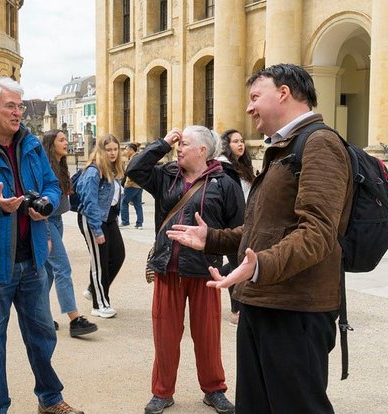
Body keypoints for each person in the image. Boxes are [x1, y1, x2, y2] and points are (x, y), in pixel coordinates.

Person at [167, 64, 353, 413]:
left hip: (295, 310)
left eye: (255, 97)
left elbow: (317, 233)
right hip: (264, 301)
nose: (249, 108)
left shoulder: (320, 143)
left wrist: (258, 266)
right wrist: (212, 238)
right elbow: (263, 231)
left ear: (283, 93)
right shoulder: (284, 147)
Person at [0, 76, 84, 414]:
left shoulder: (33, 145)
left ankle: (50, 399)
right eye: (10, 106)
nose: (18, 112)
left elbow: (53, 186)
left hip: (32, 262)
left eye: (20, 106)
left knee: (43, 337)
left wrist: (48, 206)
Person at [127, 126, 243, 414]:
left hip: (206, 273)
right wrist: (162, 144)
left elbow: (239, 232)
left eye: (184, 144)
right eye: (178, 144)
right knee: (165, 335)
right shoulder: (166, 176)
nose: (179, 148)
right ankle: (162, 392)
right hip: (169, 269)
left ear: (203, 150)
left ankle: (214, 389)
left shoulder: (225, 183)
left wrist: (236, 287)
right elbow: (134, 168)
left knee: (208, 337)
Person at [42, 129, 98, 338]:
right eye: (62, 140)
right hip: (46, 221)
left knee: (48, 271)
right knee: (62, 267)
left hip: (56, 220)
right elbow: (42, 204)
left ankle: (41, 315)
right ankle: (75, 319)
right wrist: (46, 235)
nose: (67, 142)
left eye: (66, 139)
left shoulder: (60, 165)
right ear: (51, 144)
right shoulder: (45, 167)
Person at [75, 134, 125, 319]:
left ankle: (93, 289)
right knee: (100, 262)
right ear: (101, 150)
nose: (112, 153)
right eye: (108, 149)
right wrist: (96, 230)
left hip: (109, 218)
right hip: (93, 219)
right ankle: (100, 304)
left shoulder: (114, 168)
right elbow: (89, 202)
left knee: (118, 255)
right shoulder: (94, 171)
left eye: (115, 149)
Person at [217, 129, 256, 325]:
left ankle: (216, 275)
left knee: (241, 263)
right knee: (236, 264)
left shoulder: (243, 166)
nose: (240, 144)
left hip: (248, 221)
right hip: (232, 223)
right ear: (227, 145)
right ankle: (236, 311)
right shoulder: (223, 167)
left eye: (242, 141)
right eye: (235, 142)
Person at [120, 142, 144, 229]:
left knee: (124, 202)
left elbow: (130, 172)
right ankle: (139, 223)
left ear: (131, 150)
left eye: (126, 149)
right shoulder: (138, 157)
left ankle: (125, 221)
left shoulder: (134, 159)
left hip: (131, 184)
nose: (125, 151)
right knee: (138, 204)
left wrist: (126, 183)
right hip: (139, 185)